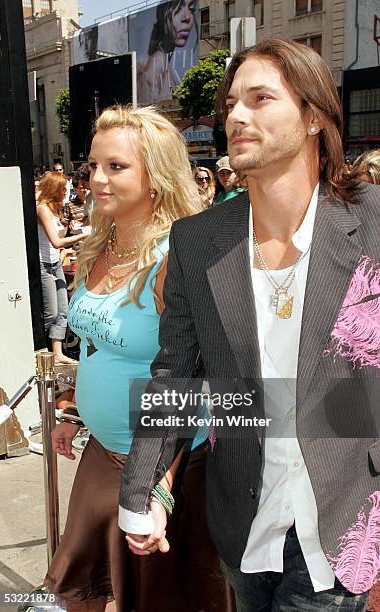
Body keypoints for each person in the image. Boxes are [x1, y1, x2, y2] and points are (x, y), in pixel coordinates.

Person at [119, 38, 380, 611]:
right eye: (231, 102)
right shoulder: (199, 240)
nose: (236, 115)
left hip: (340, 520)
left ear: (314, 115)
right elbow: (175, 374)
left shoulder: (373, 222)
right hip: (243, 520)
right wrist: (147, 488)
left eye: (261, 98)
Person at [44, 105, 236, 612]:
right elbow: (95, 345)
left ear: (156, 175)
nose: (97, 179)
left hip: (162, 466)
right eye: (93, 165)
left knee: (160, 597)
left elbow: (190, 374)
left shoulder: (177, 256)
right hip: (100, 455)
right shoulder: (98, 244)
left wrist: (160, 488)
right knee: (81, 586)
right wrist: (72, 411)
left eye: (117, 167)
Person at [36, 172, 86, 363]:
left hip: (55, 262)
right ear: (54, 189)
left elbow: (58, 237)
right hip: (45, 264)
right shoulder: (42, 209)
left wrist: (72, 228)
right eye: (63, 188)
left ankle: (57, 353)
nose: (66, 192)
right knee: (52, 312)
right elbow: (56, 242)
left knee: (63, 310)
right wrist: (82, 236)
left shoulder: (54, 209)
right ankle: (43, 350)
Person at [138, 0, 197, 104]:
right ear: (163, 18)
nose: (187, 17)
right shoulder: (156, 67)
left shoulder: (165, 63)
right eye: (178, 9)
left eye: (191, 9)